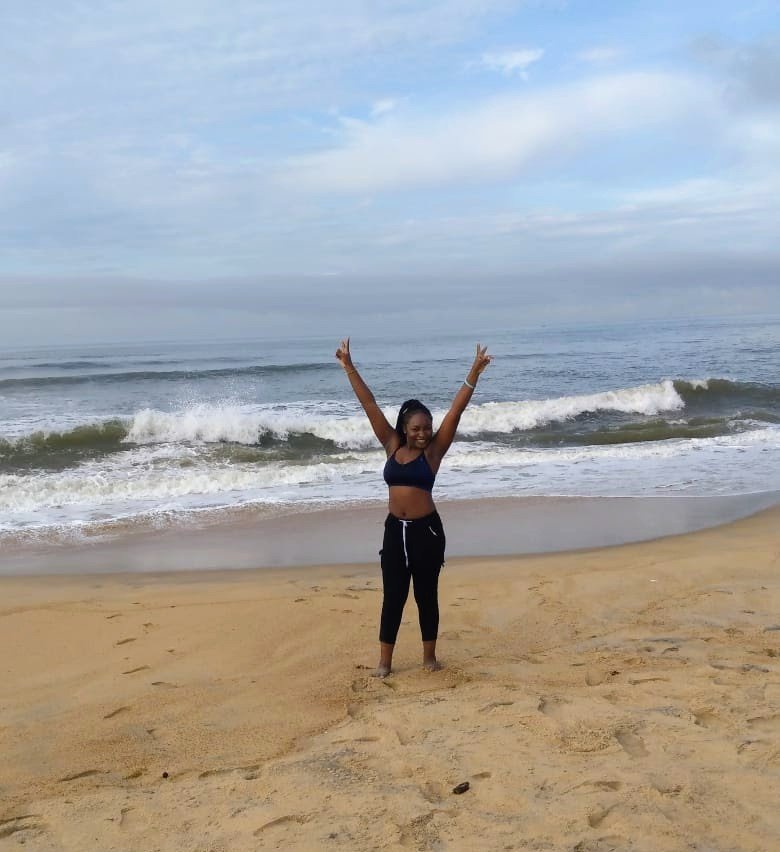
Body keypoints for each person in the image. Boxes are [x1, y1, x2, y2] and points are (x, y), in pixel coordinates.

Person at [335, 338, 492, 677]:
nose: (423, 433)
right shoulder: (391, 445)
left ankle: (429, 658)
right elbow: (369, 404)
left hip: (427, 532)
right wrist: (349, 367)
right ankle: (384, 663)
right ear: (404, 429)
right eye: (416, 429)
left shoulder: (433, 453)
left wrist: (474, 372)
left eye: (427, 428)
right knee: (393, 596)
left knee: (425, 596)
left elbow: (456, 411)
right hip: (395, 531)